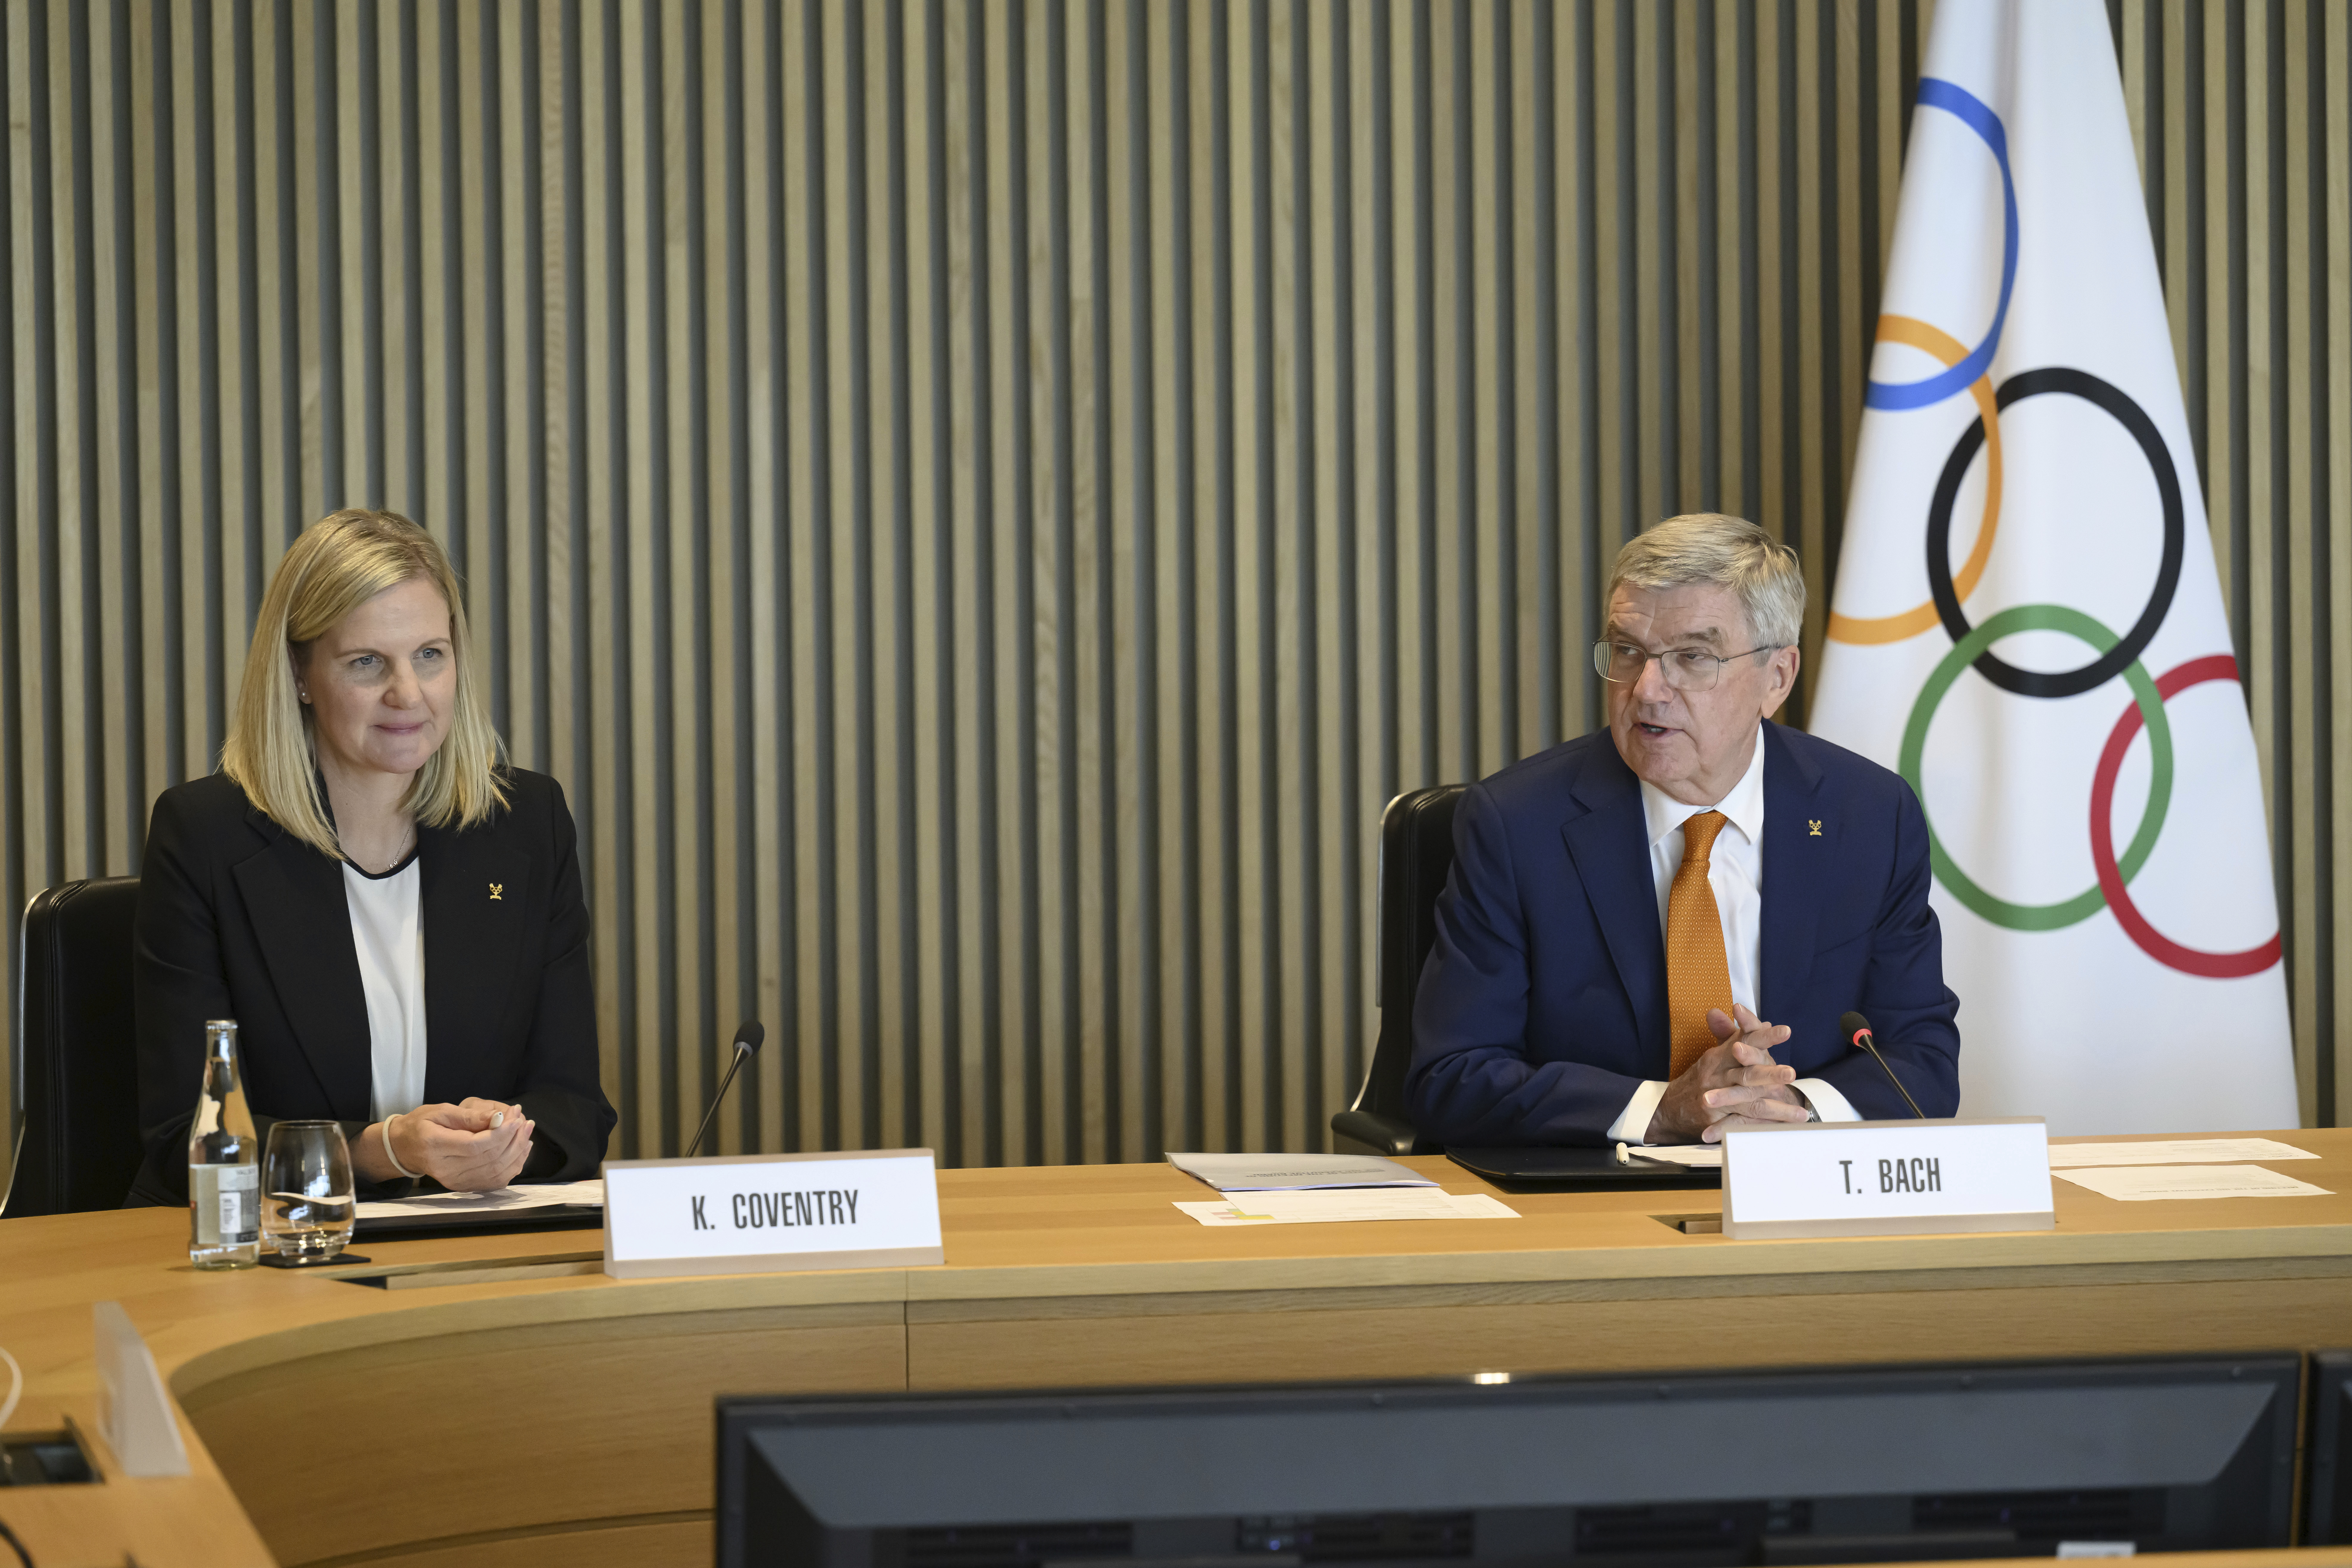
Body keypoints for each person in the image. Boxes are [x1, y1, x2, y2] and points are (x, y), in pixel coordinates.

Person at [1407, 512, 1960, 1146]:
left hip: (1803, 1192)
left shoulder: (1866, 816)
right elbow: (1451, 1075)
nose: (1645, 690)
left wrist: (1792, 1107)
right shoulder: (1517, 823)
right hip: (1594, 1195)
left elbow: (1920, 1057)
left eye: (1692, 657)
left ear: (1776, 678)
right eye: (1627, 652)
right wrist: (1664, 1108)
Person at [130, 509, 614, 1204]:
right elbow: (191, 1134)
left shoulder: (525, 825)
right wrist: (383, 1151)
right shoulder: (204, 837)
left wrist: (501, 1146)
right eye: (366, 663)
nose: (407, 695)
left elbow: (573, 1106)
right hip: (274, 1254)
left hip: (470, 1246)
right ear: (299, 674)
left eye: (429, 655)